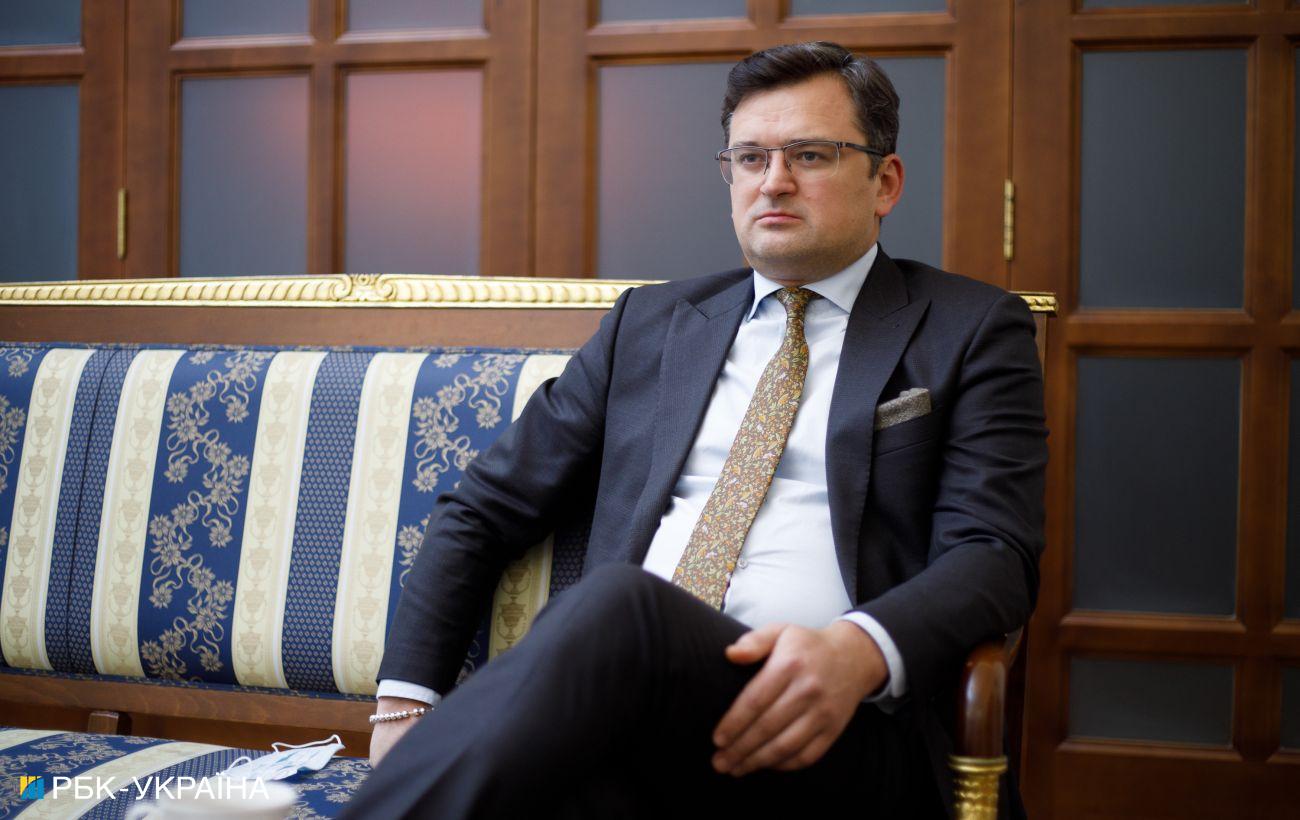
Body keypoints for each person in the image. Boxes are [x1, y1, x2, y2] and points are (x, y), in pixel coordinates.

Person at [342, 40, 1047, 819]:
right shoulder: (650, 325)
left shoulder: (971, 328)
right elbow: (484, 507)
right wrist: (404, 703)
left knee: (622, 606)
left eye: (810, 154)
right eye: (750, 158)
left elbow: (994, 556)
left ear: (885, 182)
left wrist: (857, 650)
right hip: (623, 717)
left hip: (837, 730)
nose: (773, 181)